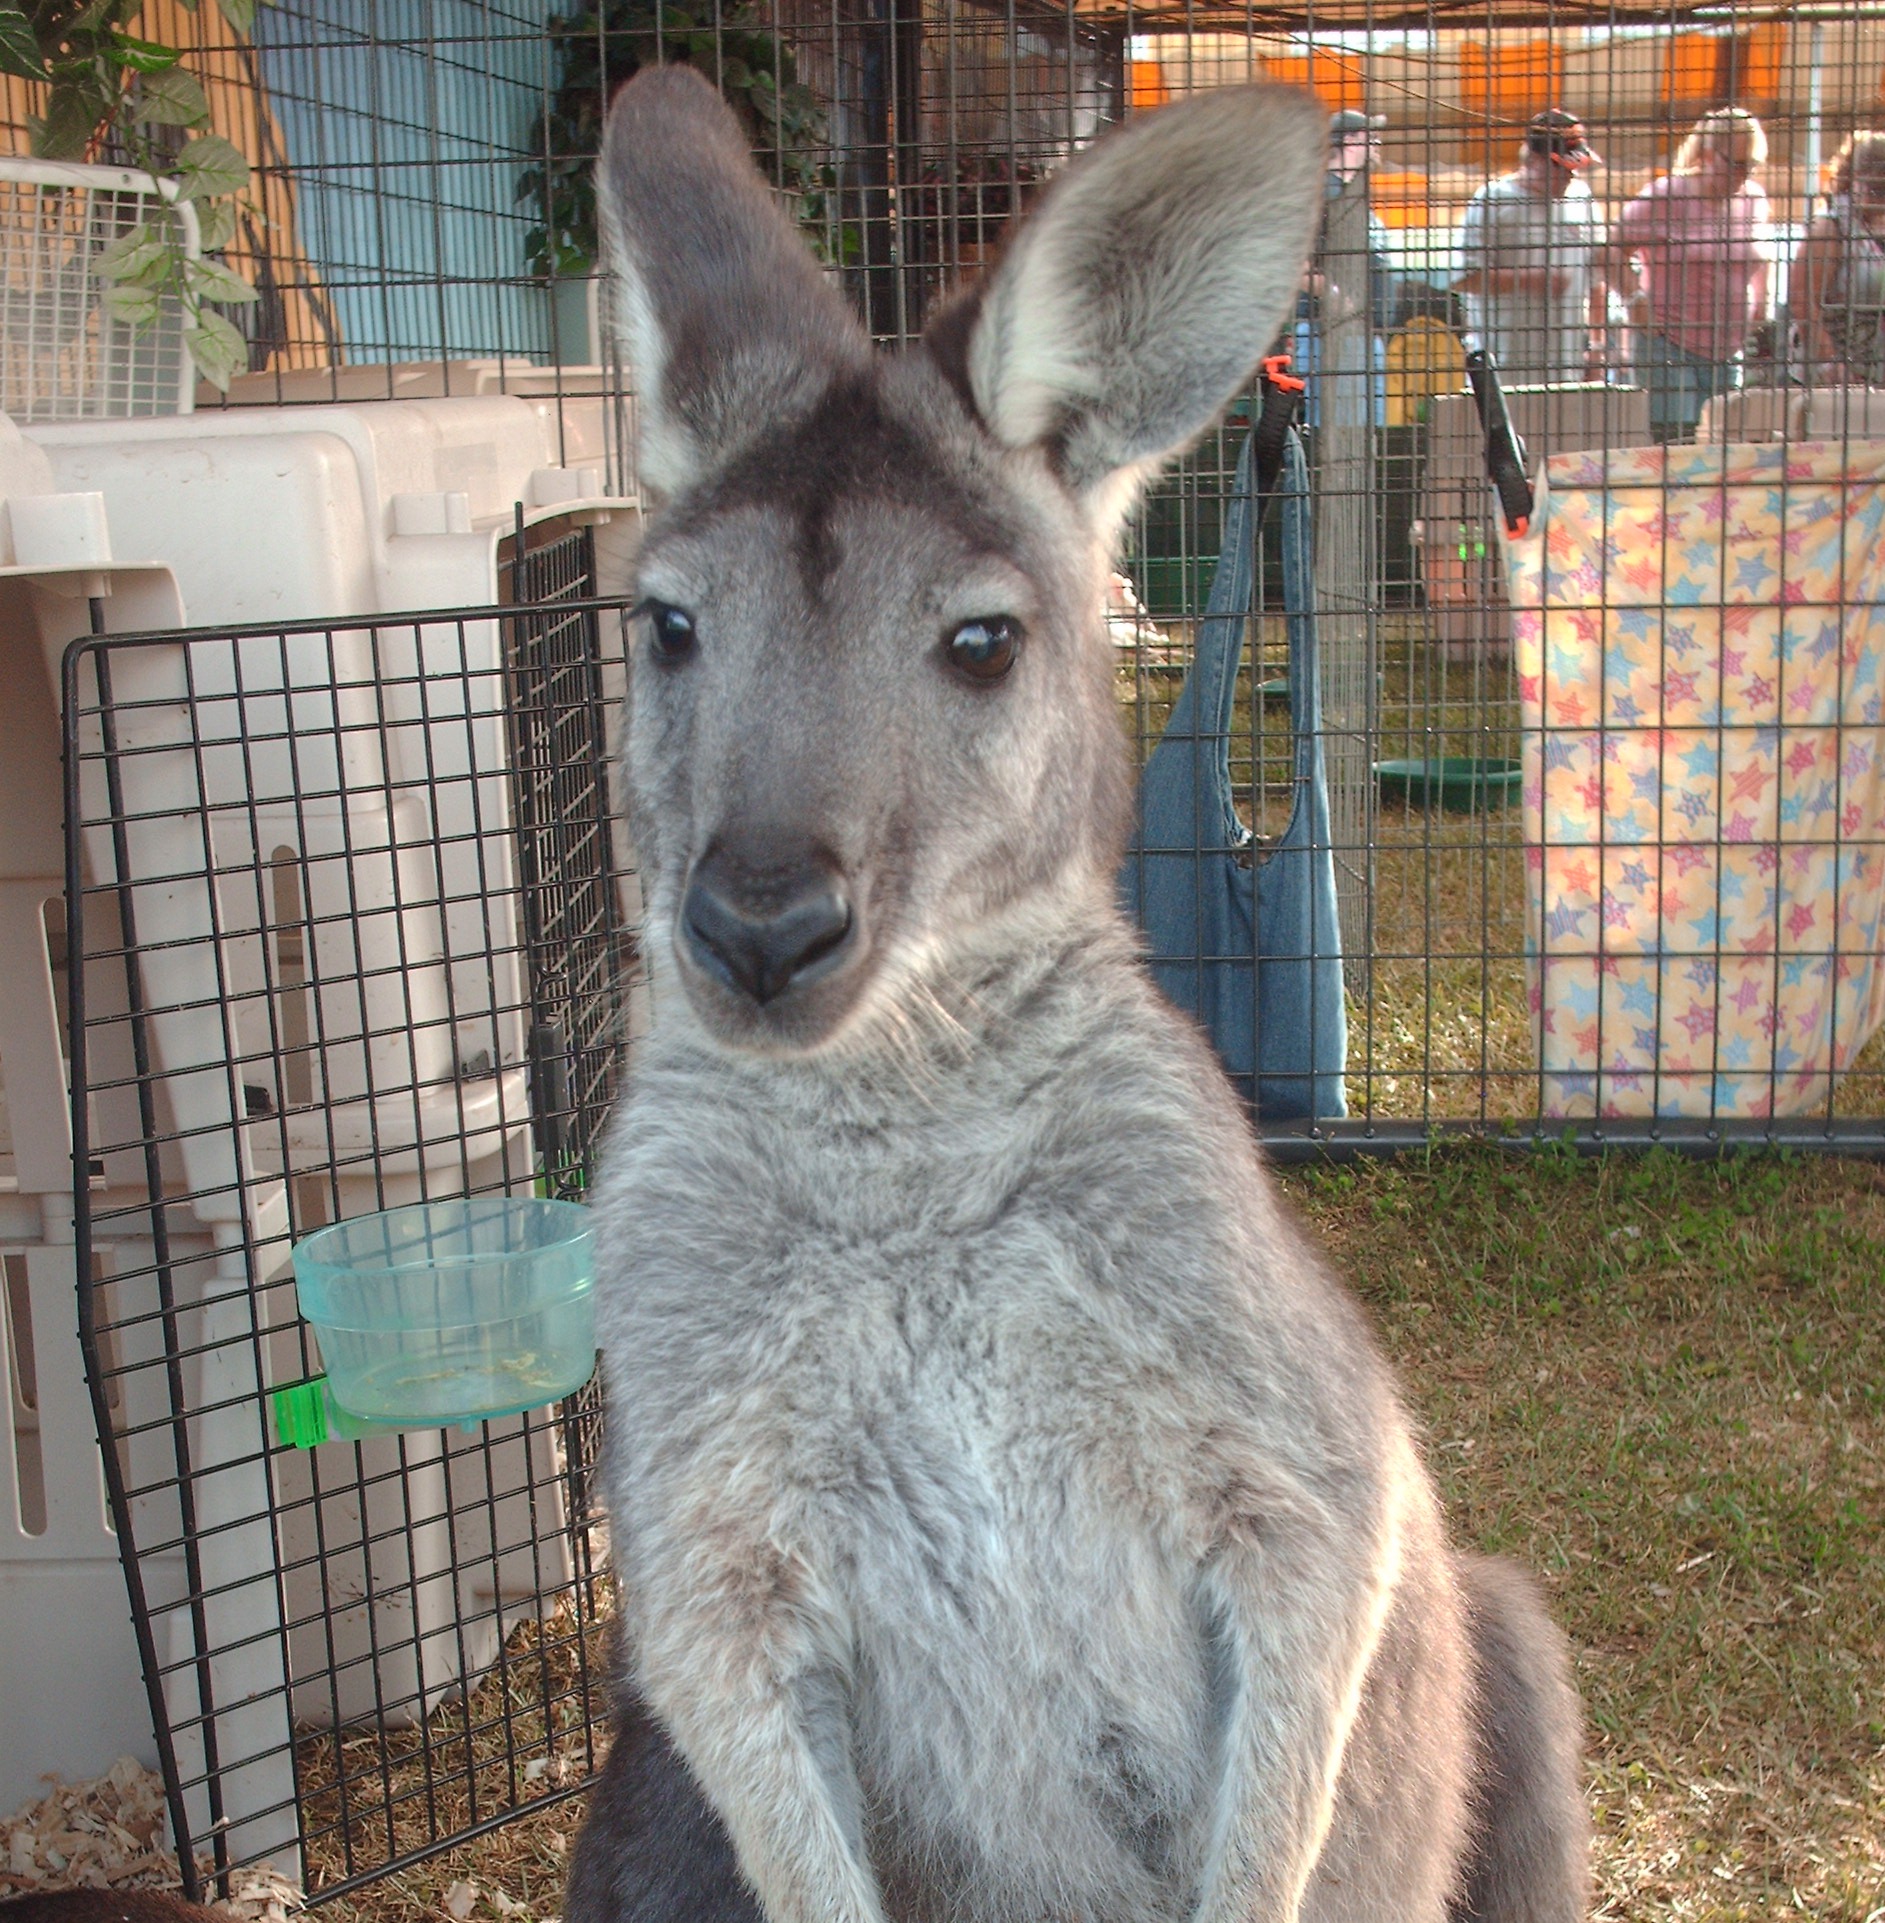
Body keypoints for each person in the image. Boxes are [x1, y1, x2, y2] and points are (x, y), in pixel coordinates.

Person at [1610, 108, 1772, 442]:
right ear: (1709, 155)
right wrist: (1634, 299)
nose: (1743, 174)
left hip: (1728, 348)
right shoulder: (1664, 196)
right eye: (1736, 164)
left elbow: (1760, 253)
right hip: (1669, 342)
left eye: (1751, 165)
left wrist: (1762, 299)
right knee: (1679, 444)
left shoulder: (1753, 200)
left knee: (1725, 443)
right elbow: (1610, 250)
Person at [1455, 109, 1609, 385]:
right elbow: (1465, 277)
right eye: (1560, 167)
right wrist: (1532, 279)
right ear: (1535, 159)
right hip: (1504, 366)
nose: (1569, 176)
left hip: (1567, 367)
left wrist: (1597, 348)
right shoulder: (1493, 200)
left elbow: (1597, 279)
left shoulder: (1582, 198)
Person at [1789, 129, 1885, 386]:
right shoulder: (1831, 227)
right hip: (1833, 378)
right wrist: (1831, 362)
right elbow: (1803, 300)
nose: (1879, 196)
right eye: (1874, 187)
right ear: (1852, 178)